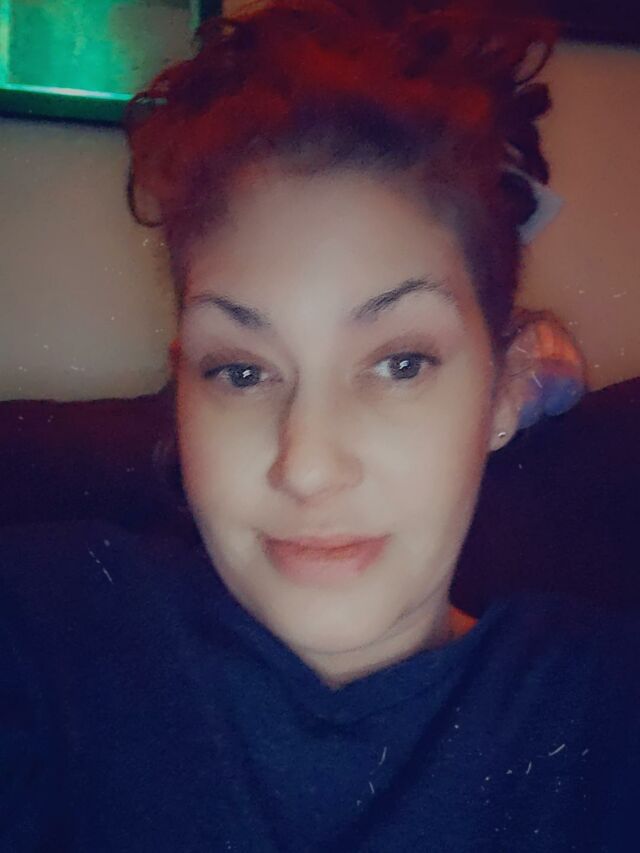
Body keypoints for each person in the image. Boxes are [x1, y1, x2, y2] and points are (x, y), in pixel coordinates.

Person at [1, 1, 637, 851]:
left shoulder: (603, 710)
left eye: (400, 362)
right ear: (183, 384)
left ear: (504, 390)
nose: (306, 465)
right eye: (242, 371)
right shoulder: (47, 635)